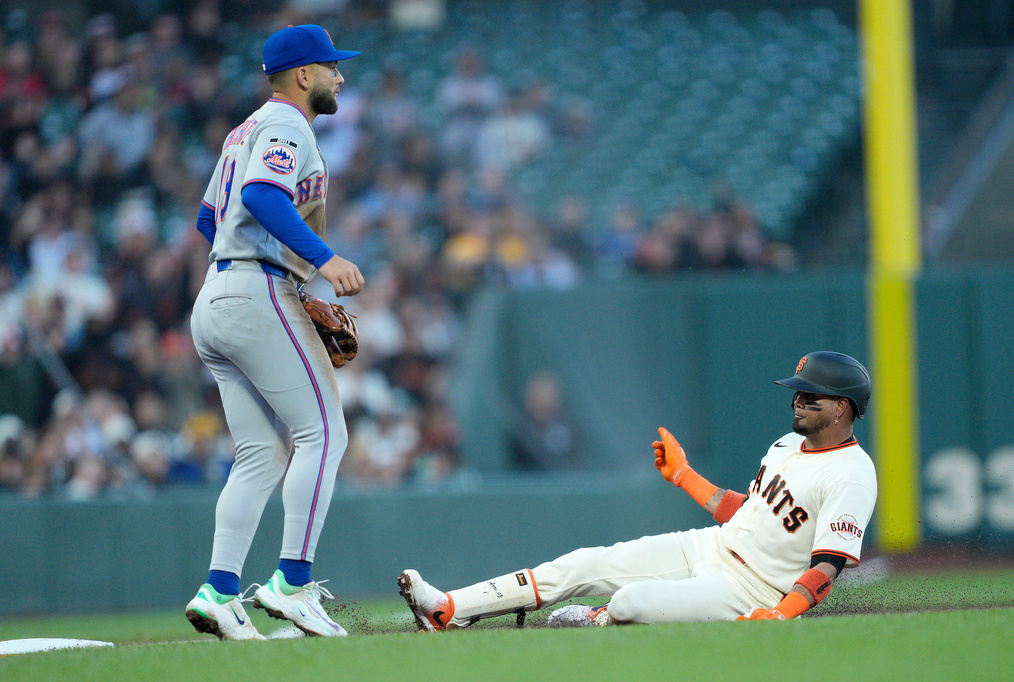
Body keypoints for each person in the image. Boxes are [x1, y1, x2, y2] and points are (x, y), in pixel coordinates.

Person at [399, 351, 875, 628]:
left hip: (750, 588)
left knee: (632, 601)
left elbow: (826, 568)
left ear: (842, 408)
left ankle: (598, 619)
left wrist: (783, 614)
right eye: (796, 390)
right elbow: (747, 513)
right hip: (708, 546)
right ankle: (450, 609)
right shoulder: (788, 442)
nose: (797, 399)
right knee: (578, 564)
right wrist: (684, 475)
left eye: (809, 394)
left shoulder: (852, 473)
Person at [184, 24, 364, 641]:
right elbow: (262, 195)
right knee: (326, 433)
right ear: (304, 75)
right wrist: (317, 261)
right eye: (332, 66)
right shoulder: (287, 124)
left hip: (218, 294)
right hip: (255, 292)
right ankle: (291, 584)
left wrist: (243, 268)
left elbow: (211, 217)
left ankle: (219, 592)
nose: (341, 75)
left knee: (260, 454)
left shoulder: (243, 130)